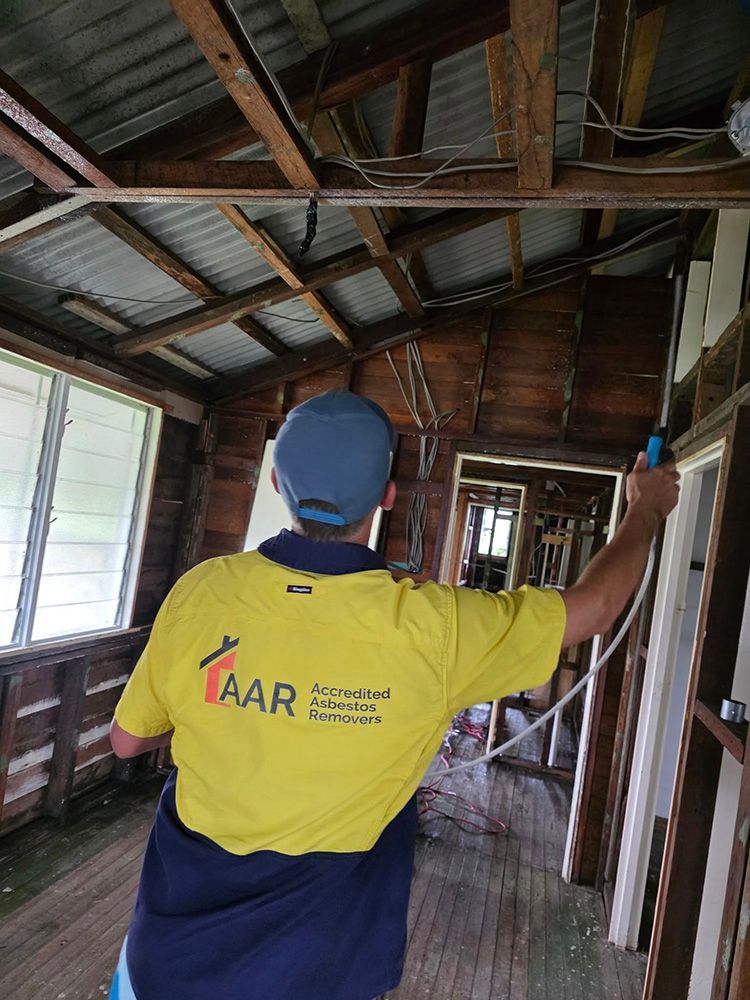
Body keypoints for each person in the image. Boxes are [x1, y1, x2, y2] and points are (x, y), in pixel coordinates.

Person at [108, 390, 679, 1000]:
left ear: (276, 483)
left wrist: (230, 706)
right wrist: (645, 508)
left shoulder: (202, 591)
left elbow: (127, 740)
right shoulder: (436, 628)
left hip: (161, 963)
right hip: (317, 971)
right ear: (386, 496)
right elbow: (595, 608)